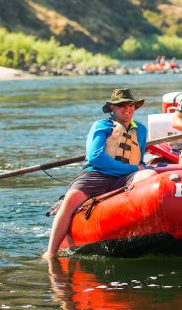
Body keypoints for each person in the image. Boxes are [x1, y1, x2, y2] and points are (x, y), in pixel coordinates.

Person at [43, 89, 157, 258]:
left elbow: (139, 160)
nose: (127, 109)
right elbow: (95, 157)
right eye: (121, 105)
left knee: (149, 177)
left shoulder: (140, 129)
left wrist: (139, 169)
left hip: (125, 178)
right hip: (98, 174)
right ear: (113, 108)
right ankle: (51, 253)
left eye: (130, 105)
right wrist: (133, 169)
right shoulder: (102, 126)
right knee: (70, 201)